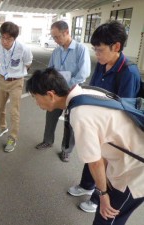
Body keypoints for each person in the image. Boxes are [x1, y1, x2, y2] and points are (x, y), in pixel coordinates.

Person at [26, 67, 144, 225]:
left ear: (50, 95)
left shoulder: (80, 114)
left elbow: (94, 162)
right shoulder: (84, 92)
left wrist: (102, 194)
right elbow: (107, 138)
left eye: (35, 97)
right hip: (127, 161)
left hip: (136, 172)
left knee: (108, 218)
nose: (36, 102)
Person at [67, 21, 141, 213]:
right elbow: (91, 91)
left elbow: (126, 112)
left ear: (116, 47)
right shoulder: (102, 63)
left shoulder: (129, 73)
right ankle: (86, 185)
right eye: (95, 50)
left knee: (104, 165)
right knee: (91, 157)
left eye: (99, 50)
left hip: (114, 133)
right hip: (97, 123)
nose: (96, 54)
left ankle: (96, 198)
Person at [35, 20, 91, 162]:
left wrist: (66, 88)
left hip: (72, 92)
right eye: (53, 37)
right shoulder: (57, 51)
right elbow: (50, 69)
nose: (55, 40)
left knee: (70, 122)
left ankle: (66, 150)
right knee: (51, 117)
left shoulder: (80, 49)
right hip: (56, 93)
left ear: (66, 32)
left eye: (57, 37)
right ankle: (47, 140)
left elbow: (83, 73)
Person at [0, 21, 33, 153]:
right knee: (0, 107)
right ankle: (3, 127)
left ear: (14, 38)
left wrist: (17, 73)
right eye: (3, 37)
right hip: (1, 79)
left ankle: (13, 137)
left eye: (8, 38)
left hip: (16, 81)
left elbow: (28, 63)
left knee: (14, 111)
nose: (5, 41)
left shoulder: (23, 49)